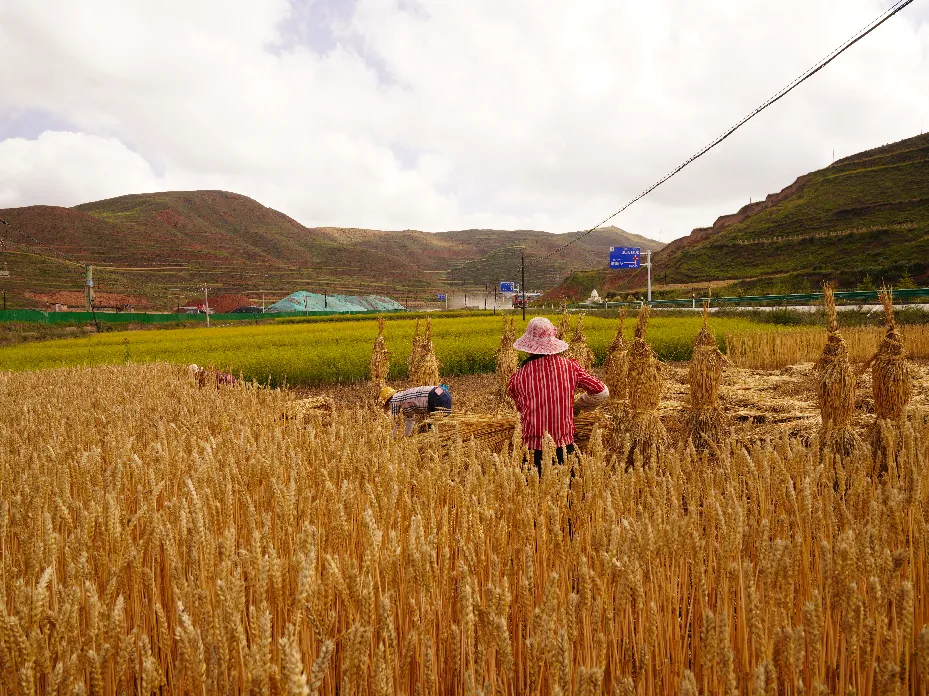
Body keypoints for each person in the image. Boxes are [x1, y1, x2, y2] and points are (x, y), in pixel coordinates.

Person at [507, 317, 608, 476]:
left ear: (528, 348)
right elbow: (602, 392)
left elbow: (521, 415)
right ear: (552, 343)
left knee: (533, 499)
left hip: (532, 453)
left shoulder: (517, 379)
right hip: (564, 450)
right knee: (566, 499)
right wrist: (578, 406)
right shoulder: (571, 368)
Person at [379, 384, 452, 437]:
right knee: (439, 425)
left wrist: (391, 439)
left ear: (387, 401)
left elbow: (395, 423)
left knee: (434, 431)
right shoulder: (403, 397)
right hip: (440, 390)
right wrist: (406, 437)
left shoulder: (394, 400)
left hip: (435, 396)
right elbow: (410, 421)